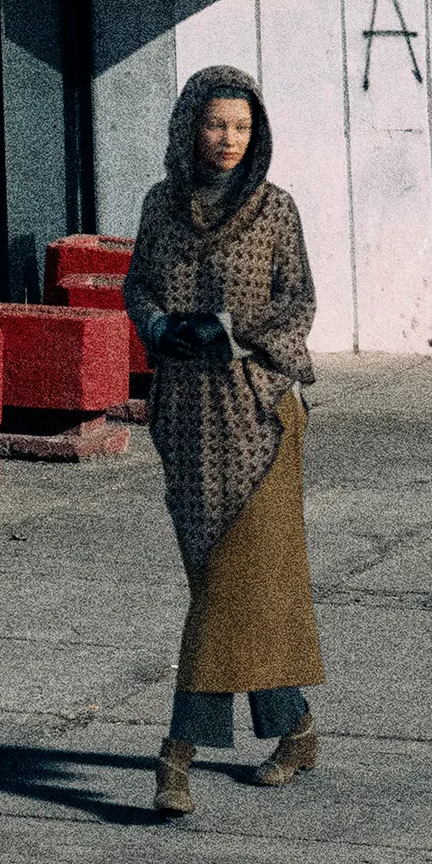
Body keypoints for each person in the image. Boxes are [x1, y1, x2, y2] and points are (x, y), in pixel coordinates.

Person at [124, 65, 323, 818]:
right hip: (184, 419)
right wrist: (155, 326)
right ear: (188, 127)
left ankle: (175, 754)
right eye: (214, 125)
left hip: (258, 415)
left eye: (241, 127)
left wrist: (233, 335)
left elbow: (297, 301)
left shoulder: (274, 210)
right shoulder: (159, 205)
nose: (228, 140)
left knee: (227, 587)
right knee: (229, 587)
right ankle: (295, 725)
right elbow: (137, 284)